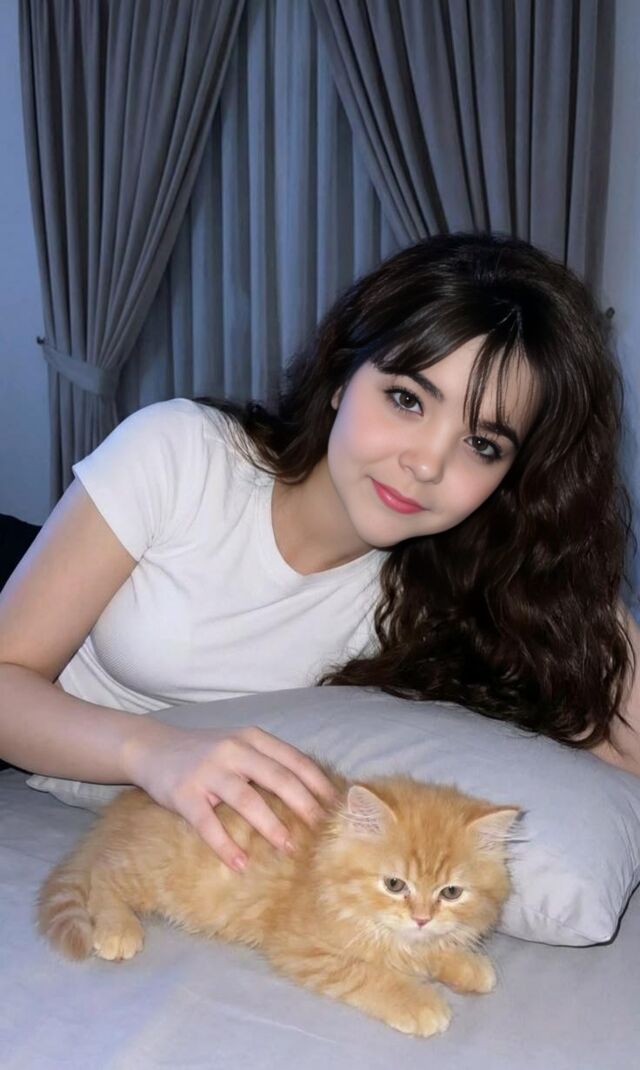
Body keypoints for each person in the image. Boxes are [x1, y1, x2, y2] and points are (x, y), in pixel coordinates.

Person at [1, 232, 638, 873]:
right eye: (407, 400)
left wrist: (560, 565)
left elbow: (623, 745)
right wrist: (150, 750)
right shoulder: (182, 454)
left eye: (482, 446)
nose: (426, 464)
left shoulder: (441, 602)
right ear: (340, 377)